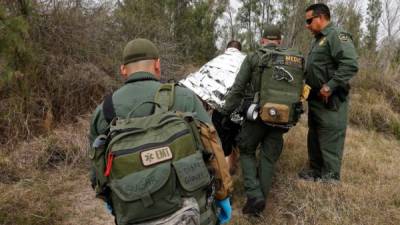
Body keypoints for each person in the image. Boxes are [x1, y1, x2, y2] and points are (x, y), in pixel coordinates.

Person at [89, 38, 232, 225]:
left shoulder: (105, 111)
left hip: (135, 215)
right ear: (157, 65)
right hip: (194, 213)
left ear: (123, 69)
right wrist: (223, 196)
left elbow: (97, 173)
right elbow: (214, 149)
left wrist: (113, 203)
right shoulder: (184, 97)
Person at [219, 26, 291, 216]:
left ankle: (254, 195)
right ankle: (257, 206)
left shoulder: (253, 57)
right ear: (280, 41)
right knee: (268, 158)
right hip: (282, 118)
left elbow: (238, 88)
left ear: (262, 40)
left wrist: (226, 111)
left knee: (247, 149)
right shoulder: (293, 60)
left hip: (257, 116)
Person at [299, 3, 358, 182]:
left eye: (309, 20)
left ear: (321, 17)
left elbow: (350, 64)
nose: (307, 25)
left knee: (330, 137)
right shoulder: (318, 40)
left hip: (331, 100)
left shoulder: (336, 36)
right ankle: (315, 171)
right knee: (315, 136)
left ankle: (331, 179)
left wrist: (330, 86)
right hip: (316, 99)